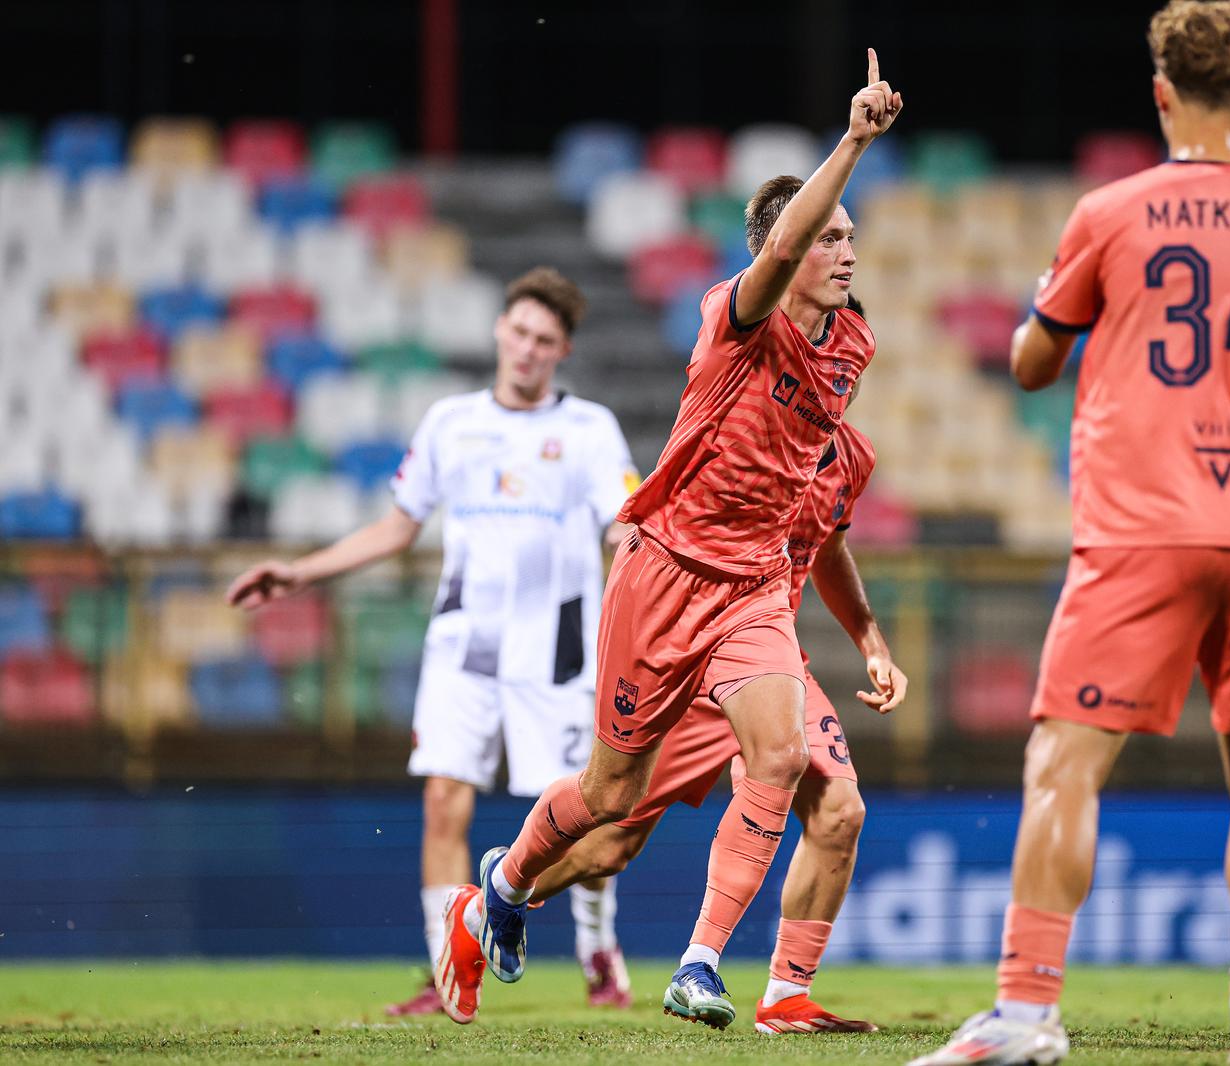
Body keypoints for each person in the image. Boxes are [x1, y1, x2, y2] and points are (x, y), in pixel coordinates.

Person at [915, 3, 1230, 1063]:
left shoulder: (1109, 213)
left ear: (1160, 92)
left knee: (1062, 766)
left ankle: (1025, 1013)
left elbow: (1029, 363)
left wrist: (1058, 315)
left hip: (1143, 528)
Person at [435, 50, 902, 1030]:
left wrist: (859, 629)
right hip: (662, 570)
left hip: (750, 590)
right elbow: (774, 263)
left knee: (778, 759)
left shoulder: (852, 344)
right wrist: (854, 140)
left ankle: (700, 964)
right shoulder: (732, 319)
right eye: (829, 235)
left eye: (852, 236)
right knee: (609, 800)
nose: (846, 249)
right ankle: (501, 891)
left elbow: (814, 502)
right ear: (786, 247)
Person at [226, 267, 638, 1021]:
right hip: (464, 649)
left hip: (560, 654)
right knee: (443, 801)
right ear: (498, 332)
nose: (526, 349)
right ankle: (450, 971)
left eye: (543, 340)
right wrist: (299, 573)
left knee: (584, 822)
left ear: (563, 350)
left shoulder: (590, 429)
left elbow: (625, 525)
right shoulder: (451, 422)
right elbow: (396, 526)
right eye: (518, 332)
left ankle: (596, 944)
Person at [520, 402, 904, 1035]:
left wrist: (872, 642)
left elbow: (829, 546)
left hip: (770, 665)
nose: (836, 373)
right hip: (696, 659)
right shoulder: (743, 425)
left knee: (841, 811)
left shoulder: (852, 458)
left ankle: (784, 996)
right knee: (610, 842)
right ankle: (497, 898)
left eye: (847, 364)